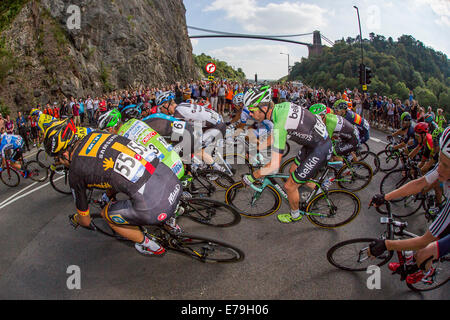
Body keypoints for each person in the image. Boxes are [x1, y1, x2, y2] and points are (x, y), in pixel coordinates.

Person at [43, 119, 182, 257]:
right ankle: (171, 223)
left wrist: (76, 218)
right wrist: (109, 194)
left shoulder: (75, 172)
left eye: (58, 159)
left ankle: (148, 245)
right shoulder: (96, 134)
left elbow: (85, 221)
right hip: (172, 178)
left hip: (157, 206)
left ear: (65, 155)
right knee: (137, 185)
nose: (61, 163)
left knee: (106, 214)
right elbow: (112, 174)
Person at [368, 126, 450, 284]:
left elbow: (423, 240)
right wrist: (386, 196)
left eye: (446, 166)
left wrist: (386, 245)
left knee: (426, 251)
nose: (439, 168)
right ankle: (413, 262)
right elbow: (419, 183)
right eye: (440, 160)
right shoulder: (442, 168)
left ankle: (427, 272)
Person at [240, 86, 333, 224]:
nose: (250, 115)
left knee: (290, 186)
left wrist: (252, 177)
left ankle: (295, 215)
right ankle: (318, 192)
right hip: (314, 142)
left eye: (252, 111)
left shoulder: (280, 124)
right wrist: (257, 149)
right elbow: (275, 136)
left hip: (320, 148)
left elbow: (274, 166)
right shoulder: (281, 108)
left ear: (264, 108)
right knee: (292, 171)